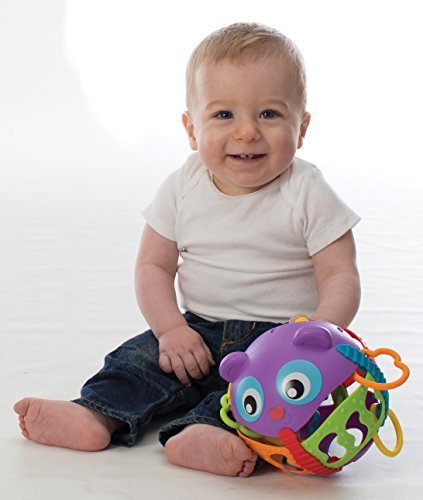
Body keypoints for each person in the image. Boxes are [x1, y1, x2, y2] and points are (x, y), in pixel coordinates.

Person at [14, 22, 361, 478]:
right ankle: (95, 412)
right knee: (138, 361)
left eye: (269, 114)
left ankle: (204, 433)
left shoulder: (308, 191)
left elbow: (339, 274)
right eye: (224, 115)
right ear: (191, 129)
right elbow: (153, 267)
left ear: (302, 128)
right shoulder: (183, 186)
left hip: (280, 339)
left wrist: (317, 335)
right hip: (195, 328)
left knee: (265, 396)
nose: (247, 132)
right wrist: (170, 328)